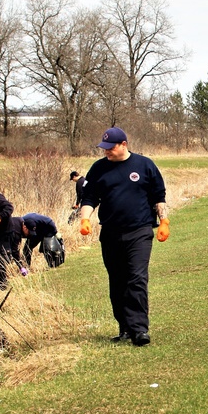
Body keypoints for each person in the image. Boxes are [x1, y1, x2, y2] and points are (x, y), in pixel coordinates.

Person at [78, 126, 170, 346]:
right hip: (110, 233)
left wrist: (164, 221)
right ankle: (125, 327)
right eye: (104, 148)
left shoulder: (145, 165)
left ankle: (140, 330)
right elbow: (89, 198)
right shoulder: (99, 169)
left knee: (137, 278)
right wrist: (85, 219)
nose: (106, 152)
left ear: (124, 145)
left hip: (139, 231)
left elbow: (159, 196)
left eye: (111, 148)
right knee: (117, 281)